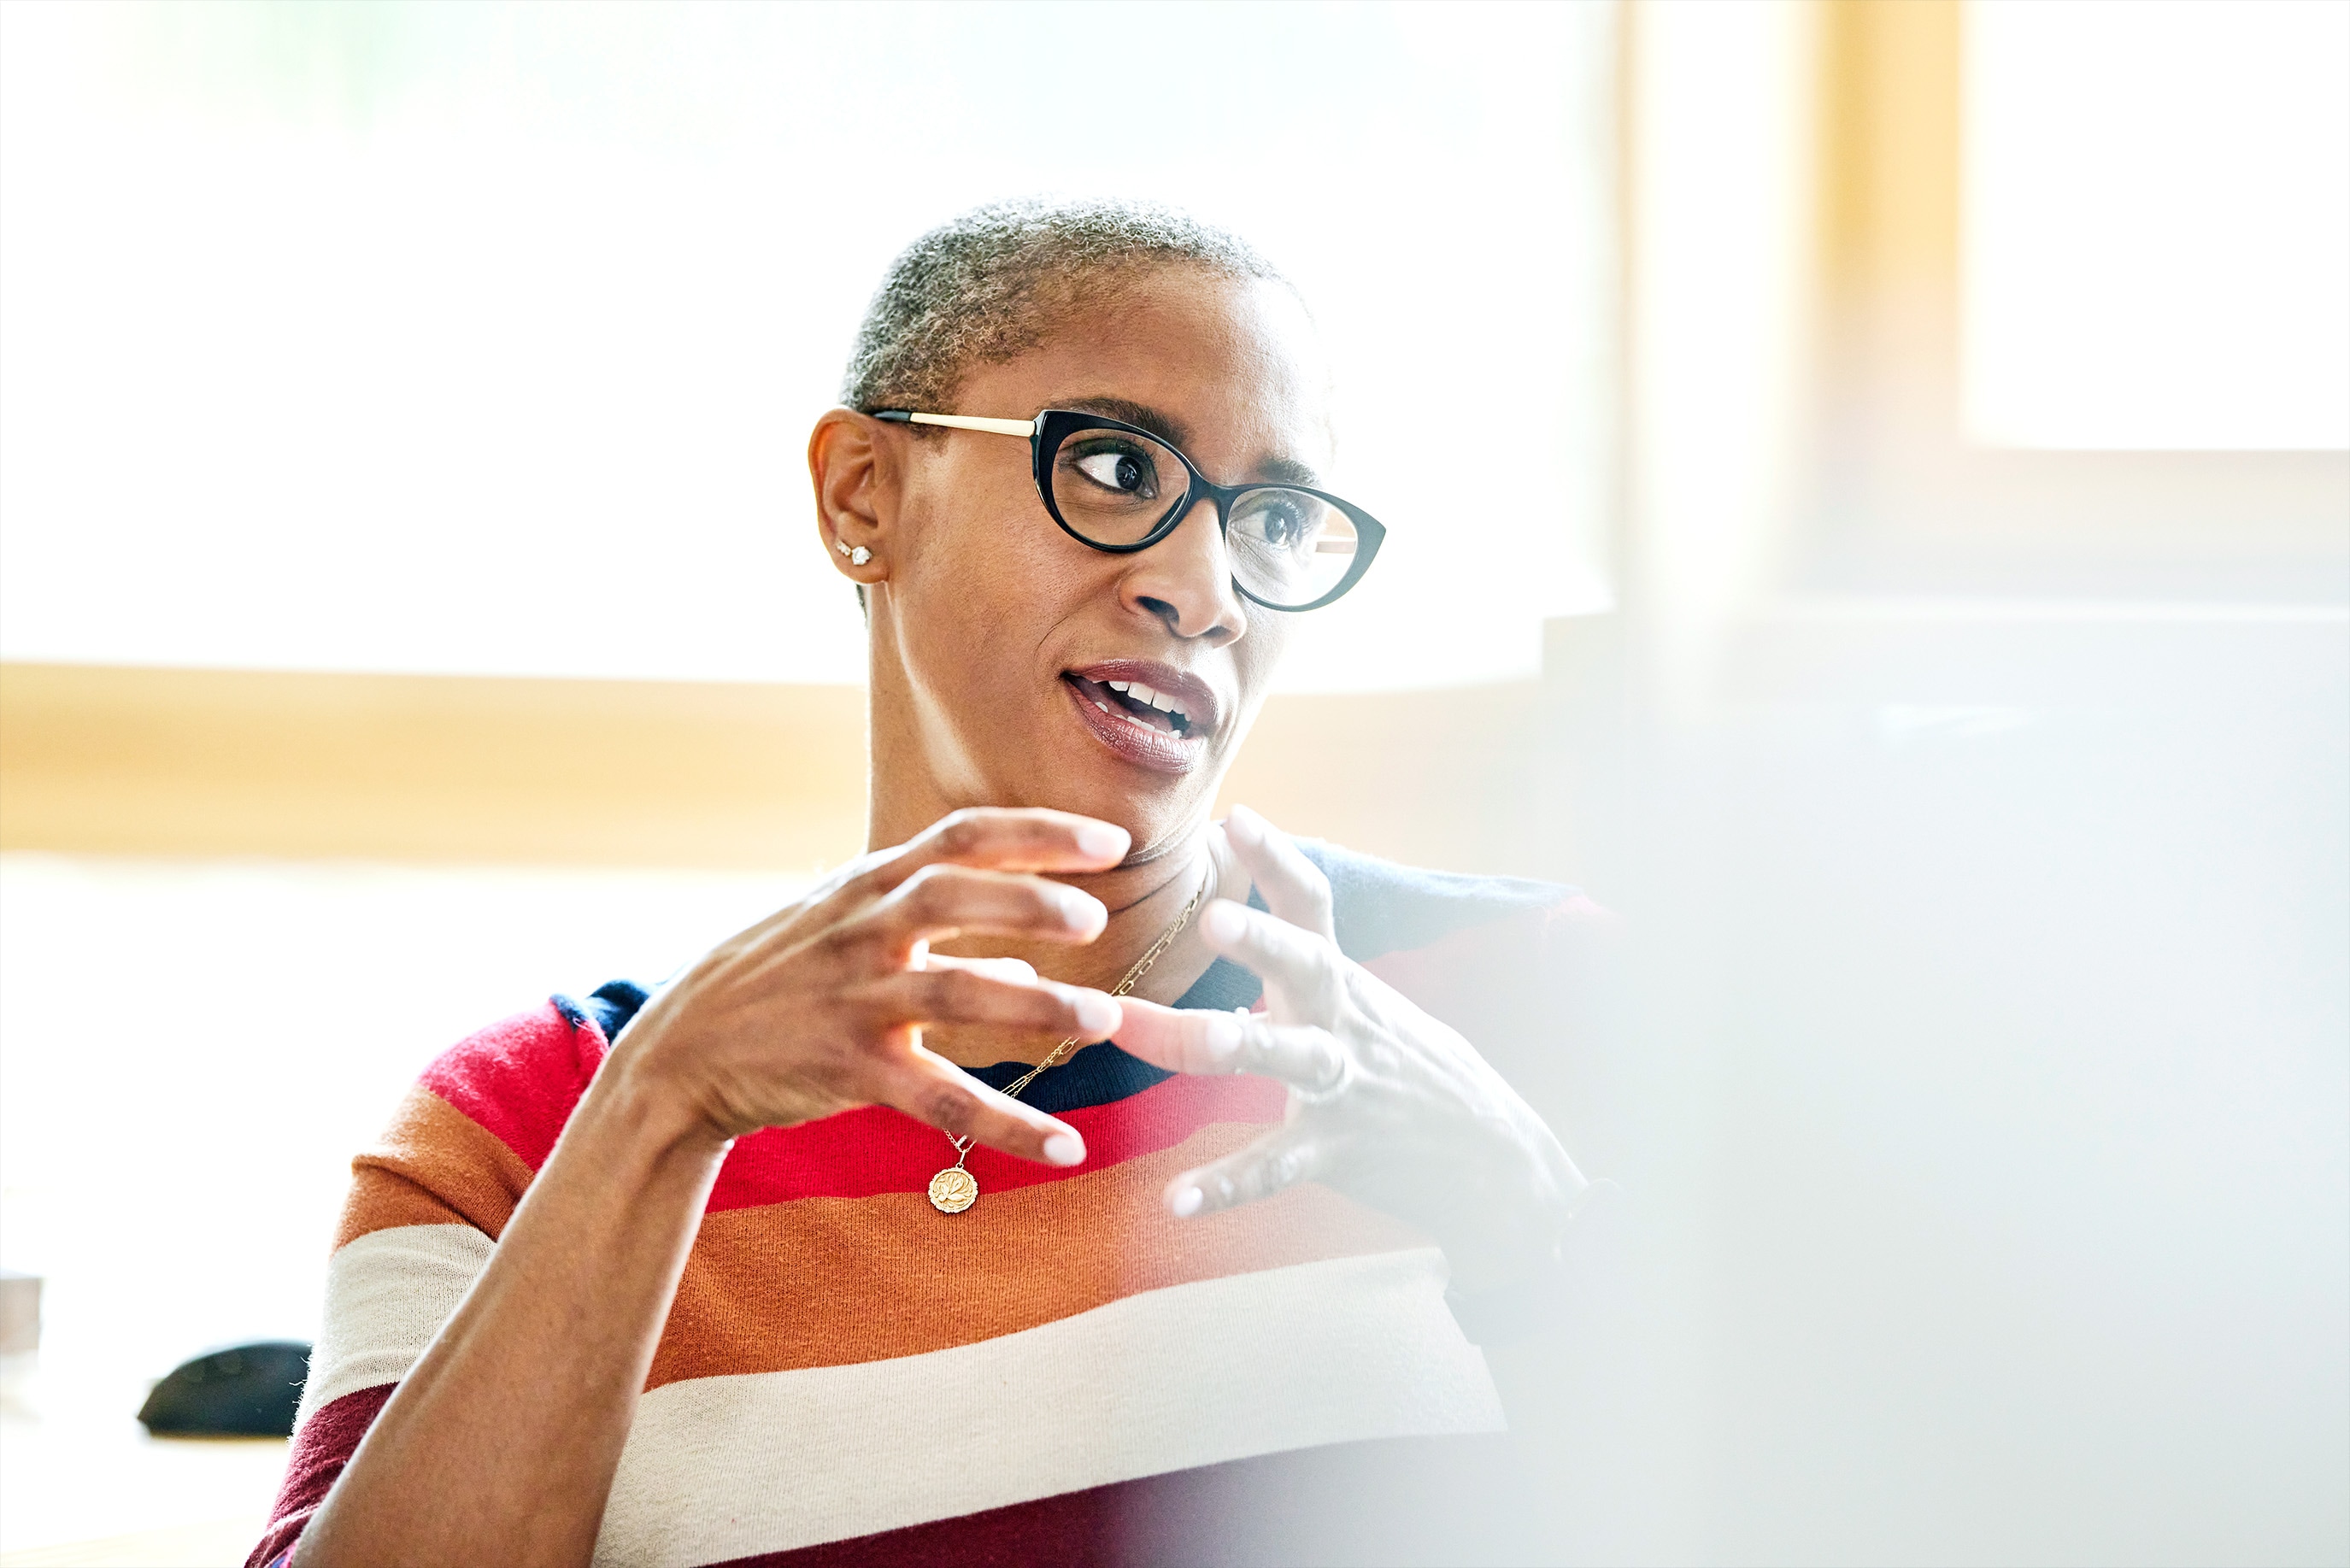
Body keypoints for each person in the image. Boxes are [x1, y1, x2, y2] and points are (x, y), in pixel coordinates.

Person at [251, 199, 1619, 1568]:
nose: (1204, 590)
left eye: (1268, 519)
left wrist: (1537, 1239)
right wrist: (657, 1121)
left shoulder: (1531, 1003)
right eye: (1115, 468)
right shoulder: (520, 1127)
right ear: (864, 496)